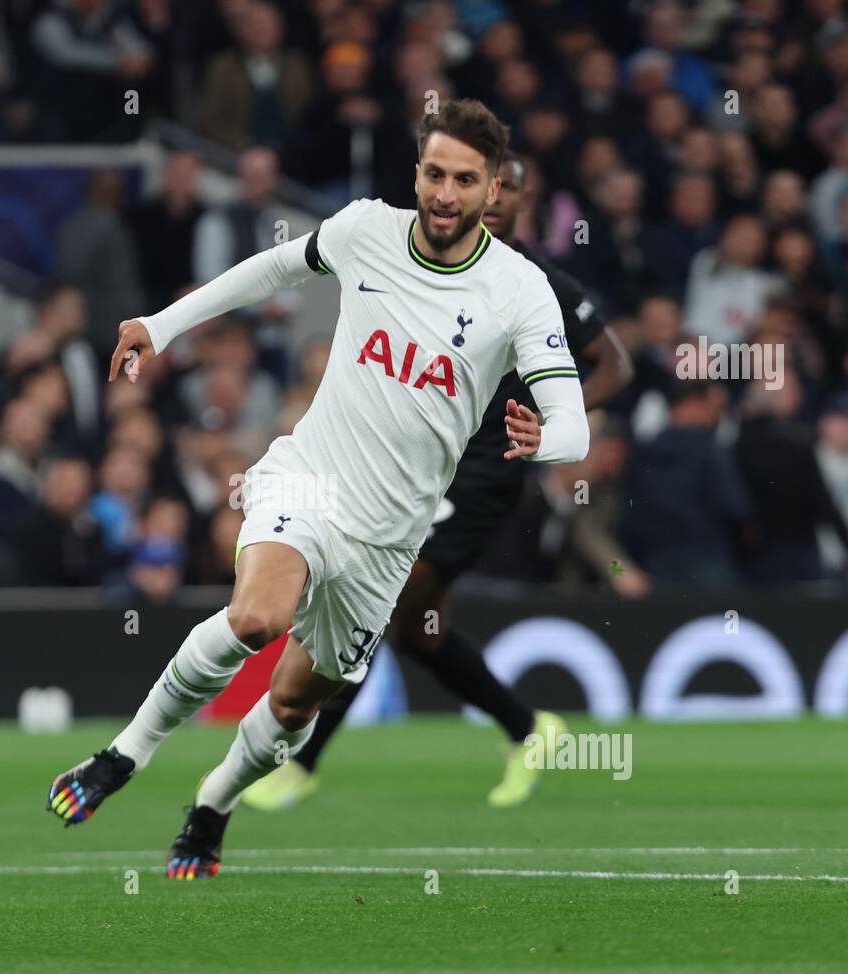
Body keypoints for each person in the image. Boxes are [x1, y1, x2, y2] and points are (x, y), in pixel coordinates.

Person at [43, 100, 591, 878]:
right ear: (417, 173)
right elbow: (272, 268)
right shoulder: (368, 229)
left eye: (464, 181)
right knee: (257, 617)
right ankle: (121, 757)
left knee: (297, 708)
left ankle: (213, 805)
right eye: (434, 174)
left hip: (391, 539)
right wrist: (161, 325)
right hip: (311, 479)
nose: (444, 194)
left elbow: (574, 420)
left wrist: (549, 440)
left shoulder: (521, 290)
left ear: (493, 190)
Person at [243, 150, 633, 813]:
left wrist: (550, 414)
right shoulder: (433, 264)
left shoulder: (540, 284)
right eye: (491, 185)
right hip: (415, 467)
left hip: (480, 475)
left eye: (512, 189)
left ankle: (301, 760)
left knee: (387, 604)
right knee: (418, 628)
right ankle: (528, 728)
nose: (499, 198)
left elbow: (615, 365)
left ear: (523, 202)